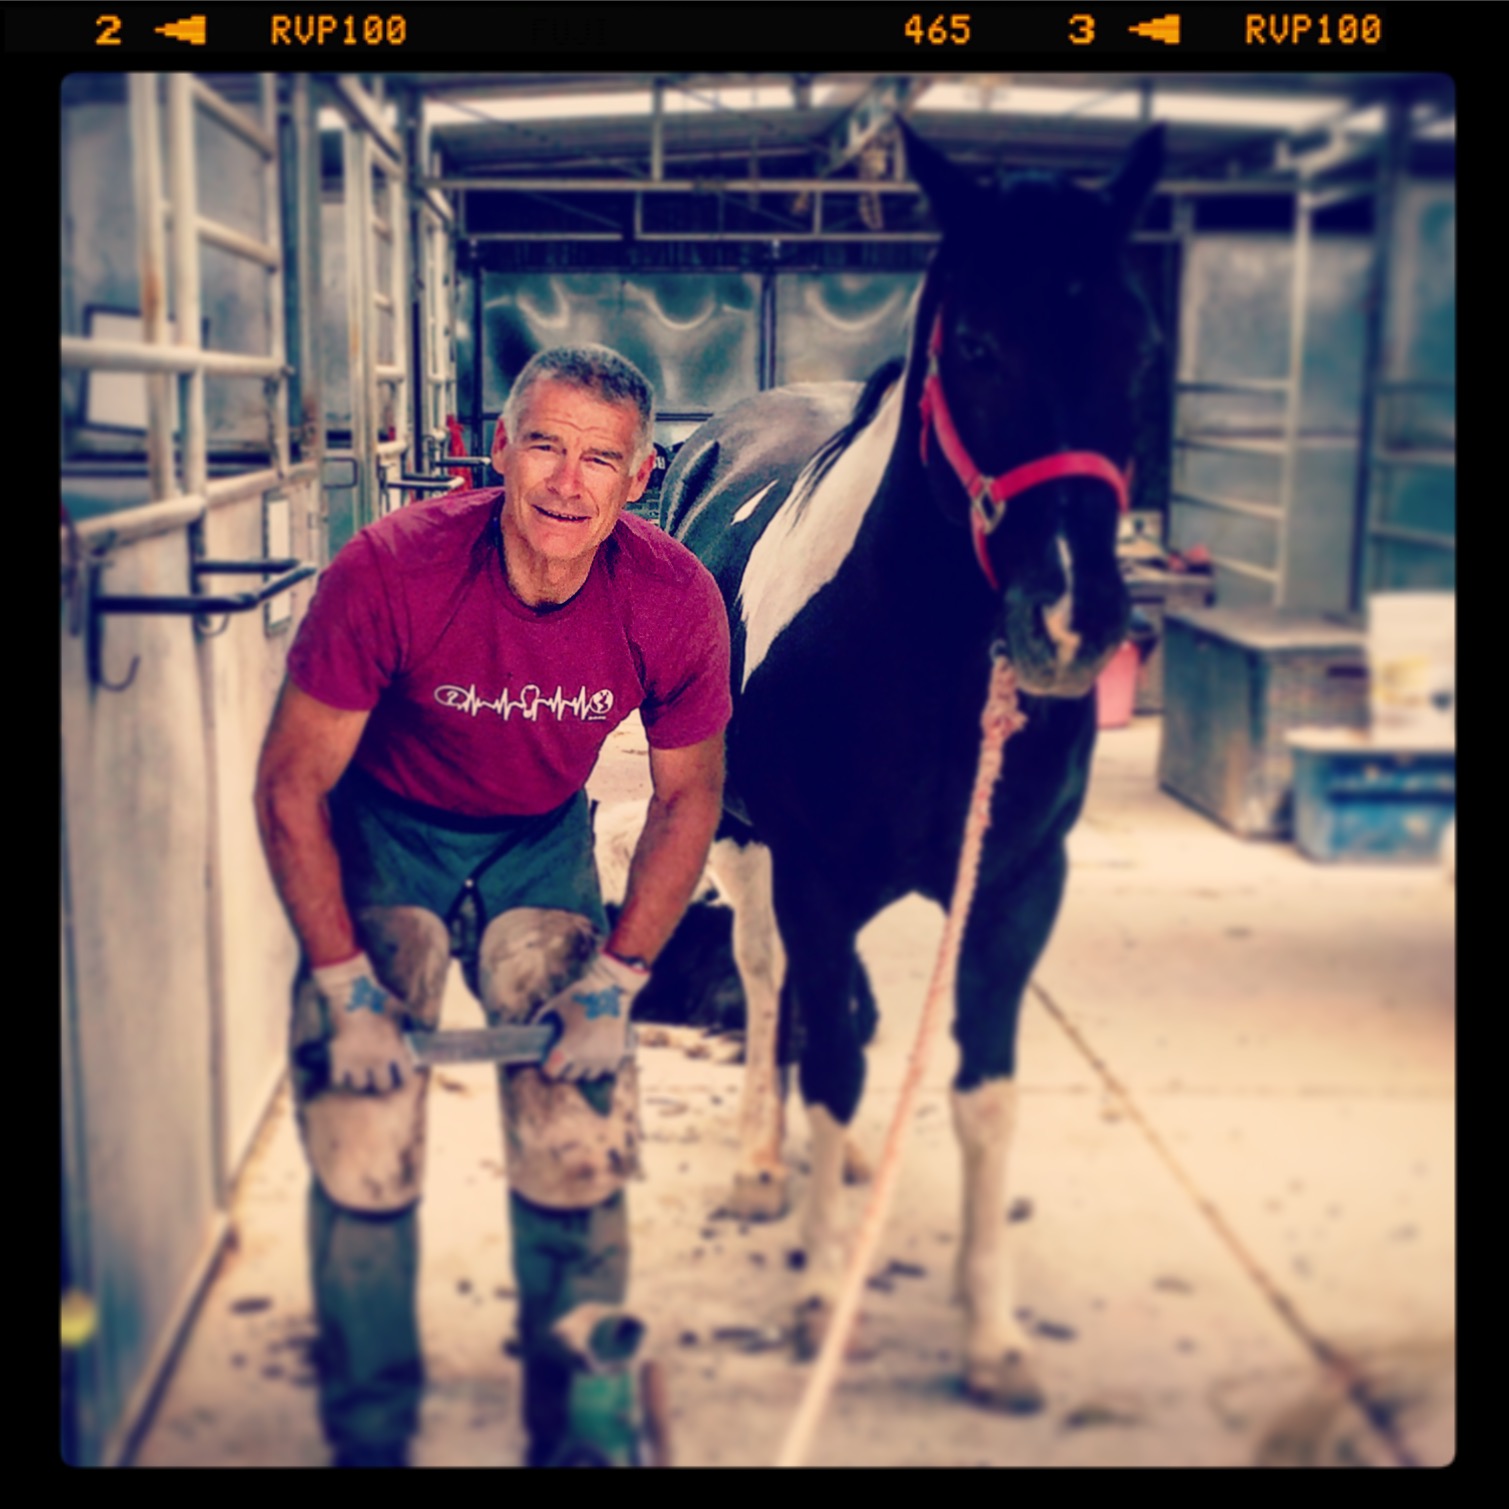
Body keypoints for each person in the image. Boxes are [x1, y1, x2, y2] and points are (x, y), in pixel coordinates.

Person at [254, 345, 731, 1467]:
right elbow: (292, 783)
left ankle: (583, 1427)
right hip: (390, 827)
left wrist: (618, 982)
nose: (570, 484)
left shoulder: (670, 598)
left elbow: (688, 794)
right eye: (548, 447)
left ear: (641, 474)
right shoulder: (392, 570)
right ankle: (369, 1434)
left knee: (579, 1128)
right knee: (360, 1130)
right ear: (500, 449)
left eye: (601, 459)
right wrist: (342, 983)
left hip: (539, 832)